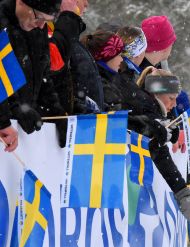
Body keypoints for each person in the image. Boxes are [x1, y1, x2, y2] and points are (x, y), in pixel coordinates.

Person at [0, 0, 81, 147]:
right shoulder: (3, 24)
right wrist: (10, 113)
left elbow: (43, 77)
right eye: (39, 18)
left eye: (47, 21)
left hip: (18, 132)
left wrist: (56, 114)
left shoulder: (37, 29)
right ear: (21, 2)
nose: (41, 25)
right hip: (7, 127)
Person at [134, 68, 190, 221]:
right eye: (171, 98)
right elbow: (159, 153)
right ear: (156, 93)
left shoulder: (154, 111)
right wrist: (182, 193)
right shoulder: (144, 108)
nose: (174, 104)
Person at [81, 30, 124, 111]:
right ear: (106, 57)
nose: (122, 59)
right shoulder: (102, 86)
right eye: (119, 55)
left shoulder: (104, 80)